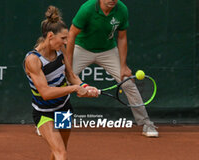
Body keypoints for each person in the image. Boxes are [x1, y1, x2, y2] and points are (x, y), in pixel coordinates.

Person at [23, 6, 98, 160]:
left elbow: (71, 76)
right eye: (63, 39)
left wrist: (84, 86)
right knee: (61, 154)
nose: (66, 42)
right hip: (45, 114)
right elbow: (45, 93)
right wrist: (74, 90)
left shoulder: (60, 54)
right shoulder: (33, 60)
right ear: (50, 36)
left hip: (64, 110)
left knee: (60, 152)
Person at [66, 0, 159, 137]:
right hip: (82, 48)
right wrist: (68, 65)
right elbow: (71, 34)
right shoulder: (87, 9)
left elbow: (122, 37)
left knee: (127, 82)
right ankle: (49, 122)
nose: (112, 0)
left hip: (107, 51)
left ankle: (146, 123)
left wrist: (123, 66)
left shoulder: (122, 10)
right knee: (62, 81)